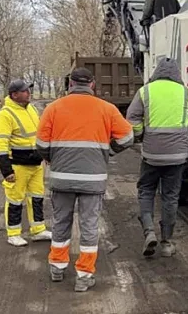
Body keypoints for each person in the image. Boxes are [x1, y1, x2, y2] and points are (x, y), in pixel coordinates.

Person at [37, 67, 134, 292]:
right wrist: (108, 152)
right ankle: (84, 275)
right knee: (89, 225)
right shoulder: (107, 109)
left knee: (61, 222)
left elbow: (41, 143)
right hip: (93, 179)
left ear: (70, 84)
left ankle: (57, 267)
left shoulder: (54, 108)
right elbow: (128, 137)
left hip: (62, 178)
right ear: (92, 85)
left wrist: (52, 158)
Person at [126, 57, 188, 258]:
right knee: (170, 197)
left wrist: (140, 134)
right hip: (177, 156)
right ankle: (166, 242)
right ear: (177, 74)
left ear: (157, 72)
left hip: (151, 155)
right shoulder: (185, 92)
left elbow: (132, 117)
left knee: (146, 191)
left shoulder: (145, 91)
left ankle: (149, 231)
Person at [0, 79, 52, 246]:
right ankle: (13, 234)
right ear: (14, 95)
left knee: (37, 197)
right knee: (15, 200)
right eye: (25, 91)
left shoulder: (31, 109)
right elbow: (1, 145)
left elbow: (38, 135)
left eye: (28, 90)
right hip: (18, 166)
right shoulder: (5, 115)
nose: (28, 93)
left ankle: (38, 230)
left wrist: (45, 154)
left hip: (36, 164)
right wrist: (7, 171)